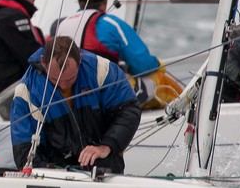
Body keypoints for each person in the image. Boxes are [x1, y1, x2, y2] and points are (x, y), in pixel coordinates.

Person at [9, 36, 141, 174]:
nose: (63, 85)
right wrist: (51, 172)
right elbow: (23, 150)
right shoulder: (26, 92)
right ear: (43, 62)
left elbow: (129, 110)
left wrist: (106, 146)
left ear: (80, 60)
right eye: (55, 79)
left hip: (104, 170)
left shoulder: (101, 70)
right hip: (56, 176)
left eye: (71, 79)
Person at [53, 0, 183, 109]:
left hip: (69, 98)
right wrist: (157, 64)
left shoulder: (61, 26)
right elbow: (142, 65)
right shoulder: (110, 24)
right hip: (104, 97)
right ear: (105, 0)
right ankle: (186, 115)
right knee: (162, 82)